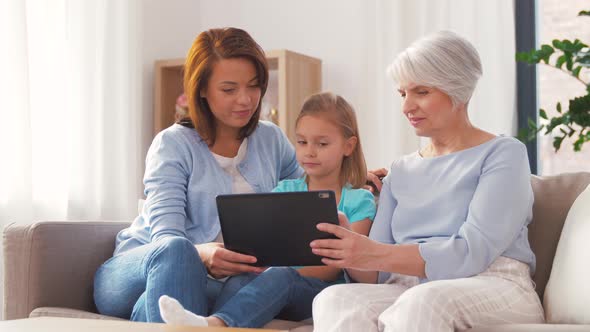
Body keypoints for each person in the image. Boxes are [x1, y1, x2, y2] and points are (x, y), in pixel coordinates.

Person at [309, 31, 545, 331]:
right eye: (402, 94)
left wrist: (374, 253)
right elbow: (376, 273)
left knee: (423, 301)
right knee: (335, 299)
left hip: (495, 282)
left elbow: (473, 251)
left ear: (457, 89)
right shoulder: (401, 170)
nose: (407, 107)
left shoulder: (503, 154)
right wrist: (348, 246)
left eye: (421, 92)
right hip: (410, 286)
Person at [93, 27, 305, 322]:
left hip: (209, 285)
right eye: (229, 89)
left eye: (254, 86)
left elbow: (306, 192)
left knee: (247, 282)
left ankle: (159, 314)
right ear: (202, 88)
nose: (245, 100)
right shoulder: (173, 144)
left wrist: (353, 174)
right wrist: (203, 255)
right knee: (178, 251)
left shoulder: (271, 139)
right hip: (140, 267)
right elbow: (165, 237)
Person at [158, 92, 376, 328]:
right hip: (275, 280)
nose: (309, 151)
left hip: (318, 289)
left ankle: (215, 324)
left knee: (280, 277)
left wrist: (275, 275)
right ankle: (213, 322)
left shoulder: (359, 200)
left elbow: (334, 268)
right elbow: (265, 242)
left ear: (348, 146)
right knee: (240, 280)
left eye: (322, 144)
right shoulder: (285, 189)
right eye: (302, 142)